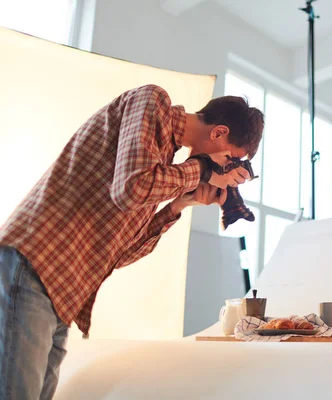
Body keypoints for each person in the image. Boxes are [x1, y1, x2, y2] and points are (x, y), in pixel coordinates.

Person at [0, 84, 264, 399]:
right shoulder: (153, 101)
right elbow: (131, 190)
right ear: (219, 133)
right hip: (37, 261)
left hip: (62, 287)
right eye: (229, 161)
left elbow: (121, 253)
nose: (226, 171)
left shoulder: (162, 164)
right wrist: (203, 168)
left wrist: (181, 204)